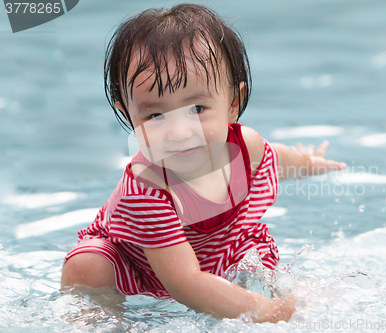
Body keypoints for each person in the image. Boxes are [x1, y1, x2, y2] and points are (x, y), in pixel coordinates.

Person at [61, 4, 346, 323]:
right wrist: (269, 313)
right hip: (142, 268)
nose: (179, 132)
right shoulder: (145, 192)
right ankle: (103, 322)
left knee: (261, 263)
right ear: (129, 116)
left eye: (197, 108)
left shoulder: (245, 147)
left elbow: (278, 157)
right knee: (86, 267)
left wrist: (310, 163)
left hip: (221, 255)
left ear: (233, 104)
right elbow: (185, 283)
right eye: (154, 115)